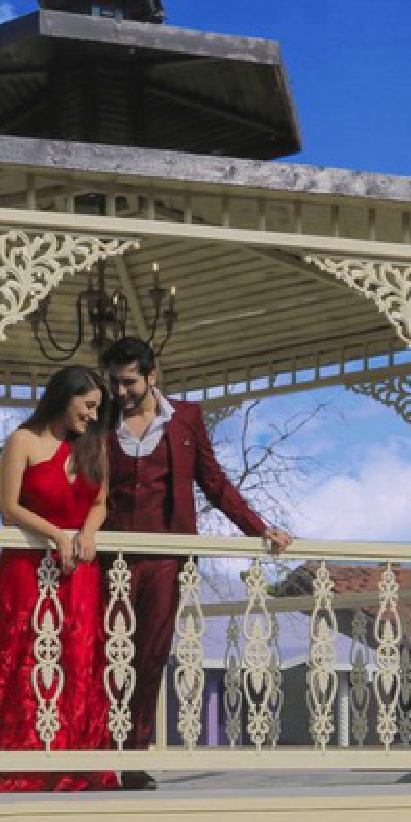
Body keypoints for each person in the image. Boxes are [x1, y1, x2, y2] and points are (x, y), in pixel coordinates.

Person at [98, 336, 293, 785]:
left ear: (151, 376)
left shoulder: (185, 418)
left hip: (167, 556)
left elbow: (214, 481)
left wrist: (259, 528)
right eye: (114, 383)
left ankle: (129, 758)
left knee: (148, 657)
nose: (121, 392)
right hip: (110, 559)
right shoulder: (101, 420)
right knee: (107, 653)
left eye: (128, 382)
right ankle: (93, 751)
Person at [0, 364, 119, 792]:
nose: (93, 416)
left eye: (98, 408)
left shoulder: (93, 447)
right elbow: (8, 508)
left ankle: (73, 758)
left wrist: (88, 533)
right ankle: (18, 757)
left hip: (79, 571)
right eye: (89, 405)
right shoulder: (22, 441)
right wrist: (56, 535)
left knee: (78, 660)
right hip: (27, 569)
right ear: (66, 396)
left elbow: (100, 502)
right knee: (23, 658)